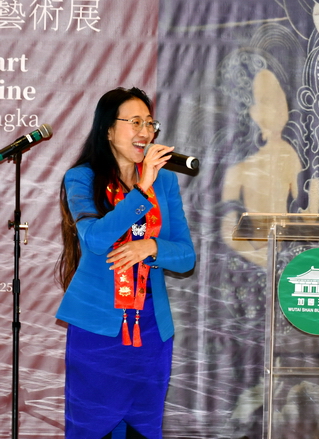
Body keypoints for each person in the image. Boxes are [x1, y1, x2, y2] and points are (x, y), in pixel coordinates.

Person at [55, 87, 196, 438]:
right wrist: (141, 190)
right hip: (98, 332)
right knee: (93, 429)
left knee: (141, 431)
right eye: (135, 122)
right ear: (108, 129)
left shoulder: (165, 180)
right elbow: (95, 239)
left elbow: (186, 257)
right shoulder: (82, 178)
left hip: (150, 332)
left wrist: (151, 246)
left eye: (150, 123)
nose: (145, 132)